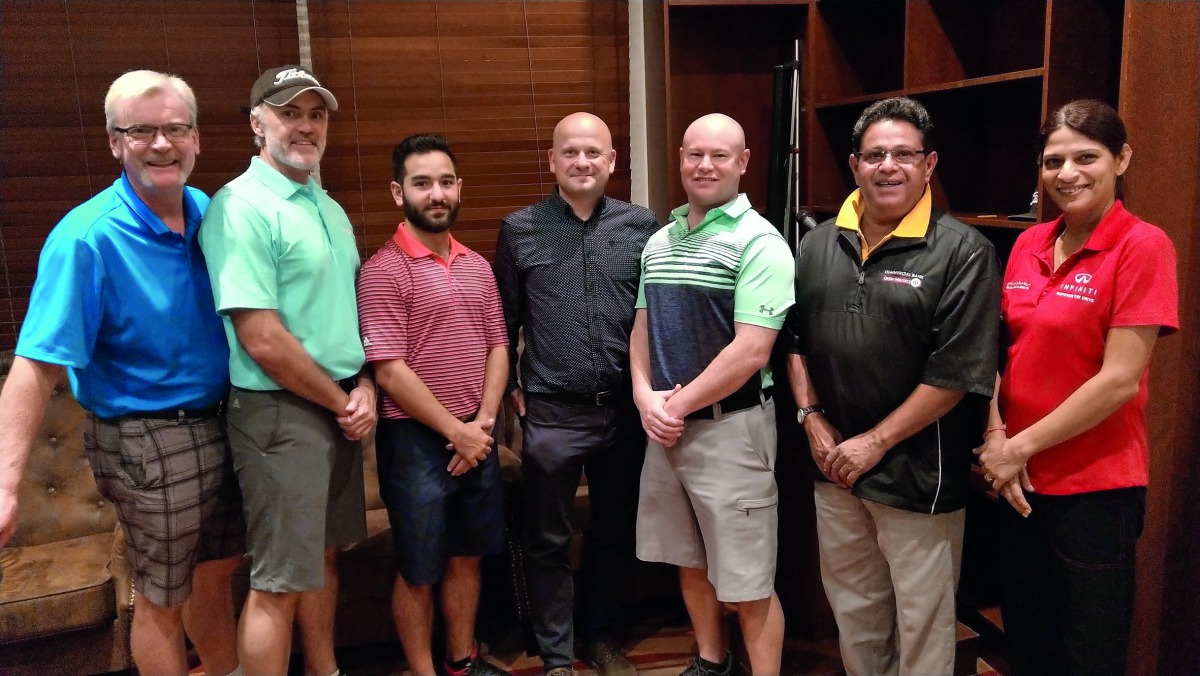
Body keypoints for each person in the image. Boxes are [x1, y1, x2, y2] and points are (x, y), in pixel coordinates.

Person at [0, 70, 244, 676]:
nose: (161, 144)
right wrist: (5, 486)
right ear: (115, 142)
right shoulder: (86, 238)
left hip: (221, 421)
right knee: (161, 600)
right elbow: (35, 367)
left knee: (215, 578)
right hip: (146, 437)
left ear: (196, 139)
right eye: (141, 131)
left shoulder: (208, 212)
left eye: (175, 129)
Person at [784, 96, 1000, 676]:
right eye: (875, 155)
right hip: (834, 468)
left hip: (919, 477)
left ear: (929, 164)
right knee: (855, 611)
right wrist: (812, 419)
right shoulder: (817, 245)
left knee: (923, 623)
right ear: (854, 164)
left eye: (904, 154)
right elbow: (794, 341)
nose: (888, 166)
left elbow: (956, 373)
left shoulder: (963, 251)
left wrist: (875, 443)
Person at [978, 99, 1178, 676]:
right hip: (1018, 483)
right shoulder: (1029, 243)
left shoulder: (1143, 245)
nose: (1066, 174)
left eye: (1086, 157)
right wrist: (996, 436)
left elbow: (1119, 380)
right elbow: (998, 352)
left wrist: (1016, 448)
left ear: (1122, 159)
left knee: (1089, 653)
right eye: (1052, 161)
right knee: (1029, 644)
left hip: (1095, 490)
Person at [198, 65, 375, 676]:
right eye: (289, 113)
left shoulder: (326, 205)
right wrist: (341, 400)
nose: (305, 126)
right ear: (257, 123)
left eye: (316, 114)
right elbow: (262, 338)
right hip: (281, 413)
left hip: (336, 406)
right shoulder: (239, 206)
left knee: (321, 560)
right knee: (277, 581)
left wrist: (364, 385)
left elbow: (345, 317)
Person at [493, 112, 658, 676]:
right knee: (547, 538)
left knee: (615, 531)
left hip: (624, 411)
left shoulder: (642, 227)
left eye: (593, 152)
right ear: (552, 161)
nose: (582, 162)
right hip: (551, 412)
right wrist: (510, 387)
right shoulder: (520, 229)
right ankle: (557, 654)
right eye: (570, 152)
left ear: (612, 160)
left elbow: (655, 314)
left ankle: (601, 637)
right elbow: (504, 319)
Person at [632, 113, 794, 676]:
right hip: (667, 430)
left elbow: (751, 351)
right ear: (681, 158)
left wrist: (672, 407)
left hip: (731, 432)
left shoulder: (761, 243)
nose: (705, 165)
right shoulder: (660, 240)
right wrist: (644, 397)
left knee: (749, 583)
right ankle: (711, 661)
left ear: (743, 162)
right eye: (695, 154)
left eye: (719, 155)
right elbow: (643, 328)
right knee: (688, 558)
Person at [357, 134, 511, 676]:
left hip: (477, 435)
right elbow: (389, 371)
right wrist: (456, 432)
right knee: (419, 570)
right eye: (422, 183)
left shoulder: (477, 265)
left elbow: (498, 345)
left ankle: (460, 661)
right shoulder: (382, 270)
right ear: (398, 192)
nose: (436, 194)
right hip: (415, 443)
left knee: (467, 557)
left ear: (459, 187)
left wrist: (481, 426)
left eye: (445, 182)